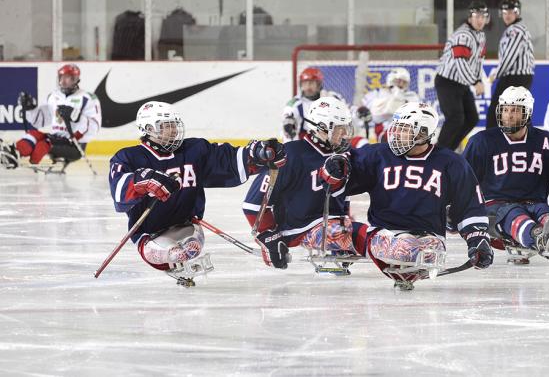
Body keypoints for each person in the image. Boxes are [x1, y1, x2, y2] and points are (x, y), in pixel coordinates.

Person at [108, 101, 286, 286]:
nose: (172, 131)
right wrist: (142, 181)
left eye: (173, 125)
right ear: (147, 129)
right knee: (173, 254)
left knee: (190, 248)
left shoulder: (194, 150)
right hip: (148, 234)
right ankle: (164, 254)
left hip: (185, 226)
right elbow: (119, 191)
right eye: (165, 126)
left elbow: (226, 159)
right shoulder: (129, 157)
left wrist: (257, 154)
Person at [326, 102, 493, 291]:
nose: (396, 134)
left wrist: (478, 240)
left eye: (404, 130)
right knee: (333, 231)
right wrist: (337, 167)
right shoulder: (379, 154)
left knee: (421, 251)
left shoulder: (451, 163)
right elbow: (343, 172)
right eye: (396, 128)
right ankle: (368, 245)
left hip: (429, 238)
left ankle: (398, 255)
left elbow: (469, 205)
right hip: (384, 233)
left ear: (423, 133)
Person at [463, 87, 549, 263]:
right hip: (496, 209)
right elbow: (463, 179)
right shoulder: (482, 142)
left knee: (545, 214)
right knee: (514, 213)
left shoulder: (547, 142)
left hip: (535, 203)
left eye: (515, 110)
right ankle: (540, 237)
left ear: (527, 113)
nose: (509, 115)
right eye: (505, 110)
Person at [244, 96, 367, 271]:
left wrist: (345, 219)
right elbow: (252, 203)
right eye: (340, 128)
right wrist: (268, 236)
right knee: (349, 233)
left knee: (350, 230)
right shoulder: (290, 154)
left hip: (332, 225)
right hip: (299, 228)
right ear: (322, 128)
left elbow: (342, 196)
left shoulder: (342, 155)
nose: (344, 134)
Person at [0, 64, 101, 170]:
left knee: (42, 145)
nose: (64, 82)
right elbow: (40, 121)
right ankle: (15, 153)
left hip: (74, 144)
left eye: (68, 78)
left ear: (76, 80)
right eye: (62, 78)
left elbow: (95, 127)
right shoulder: (54, 96)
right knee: (34, 134)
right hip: (55, 138)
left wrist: (77, 117)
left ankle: (32, 159)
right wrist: (30, 108)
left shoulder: (87, 99)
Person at [435, 1, 488, 151]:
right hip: (447, 82)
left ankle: (448, 150)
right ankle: (438, 154)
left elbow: (478, 62)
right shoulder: (462, 35)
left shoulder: (481, 36)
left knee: (472, 118)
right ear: (470, 17)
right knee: (455, 118)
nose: (480, 20)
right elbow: (461, 63)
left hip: (461, 83)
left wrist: (478, 80)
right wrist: (475, 81)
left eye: (483, 17)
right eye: (477, 16)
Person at [486, 0, 535, 129]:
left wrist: (495, 74)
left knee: (497, 112)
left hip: (516, 78)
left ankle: (489, 146)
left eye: (511, 12)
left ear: (517, 13)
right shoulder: (514, 29)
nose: (507, 15)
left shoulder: (516, 30)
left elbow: (509, 57)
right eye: (505, 12)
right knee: (518, 112)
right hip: (516, 77)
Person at [281, 67, 345, 143]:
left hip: (331, 142)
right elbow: (287, 122)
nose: (308, 87)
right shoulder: (295, 103)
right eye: (305, 83)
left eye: (311, 83)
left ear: (319, 84)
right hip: (306, 144)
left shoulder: (333, 98)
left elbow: (349, 115)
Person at [355, 67, 419, 142]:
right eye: (398, 81)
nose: (401, 84)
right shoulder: (378, 94)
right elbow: (375, 116)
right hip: (385, 131)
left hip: (406, 130)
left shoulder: (411, 96)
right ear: (391, 80)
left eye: (404, 82)